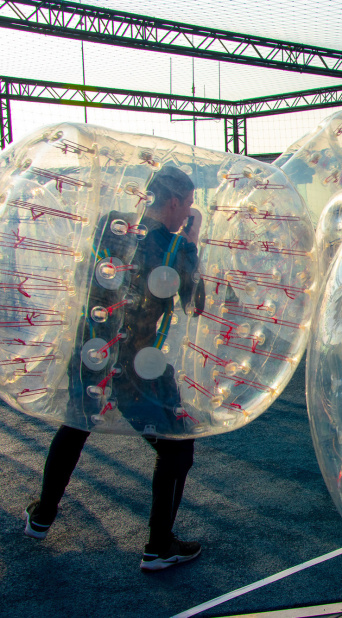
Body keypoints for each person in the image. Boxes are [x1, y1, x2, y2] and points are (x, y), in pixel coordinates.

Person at [23, 165, 206, 572]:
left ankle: (42, 517)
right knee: (177, 444)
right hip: (137, 365)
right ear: (175, 202)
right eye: (188, 206)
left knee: (75, 425)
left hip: (94, 349)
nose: (187, 213)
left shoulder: (114, 227)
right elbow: (197, 302)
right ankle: (159, 546)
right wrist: (190, 241)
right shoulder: (174, 248)